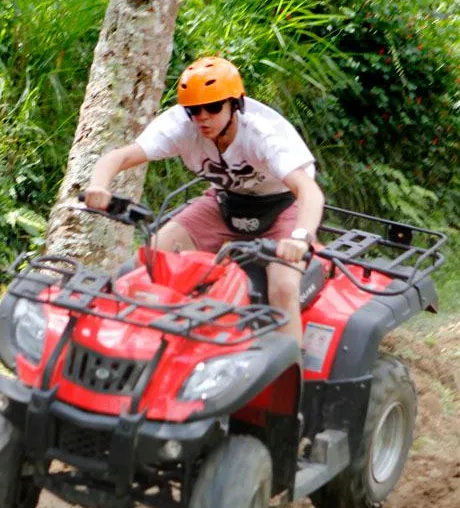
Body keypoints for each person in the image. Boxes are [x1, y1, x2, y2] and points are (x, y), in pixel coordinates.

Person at [84, 56, 325, 346]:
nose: (202, 117)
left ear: (236, 104)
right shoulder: (181, 126)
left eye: (213, 107)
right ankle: (127, 347)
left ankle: (289, 378)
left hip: (282, 206)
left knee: (284, 289)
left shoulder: (263, 135)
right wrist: (98, 186)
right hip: (225, 202)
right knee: (150, 259)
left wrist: (300, 238)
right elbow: (120, 156)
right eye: (193, 110)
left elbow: (309, 192)